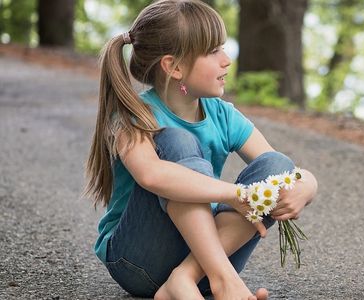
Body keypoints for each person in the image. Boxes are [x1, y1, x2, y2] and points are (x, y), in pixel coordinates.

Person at [84, 1, 317, 299]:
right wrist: (234, 194)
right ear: (174, 67)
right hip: (139, 263)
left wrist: (307, 184)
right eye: (213, 51)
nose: (227, 60)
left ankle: (186, 278)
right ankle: (225, 282)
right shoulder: (135, 116)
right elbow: (152, 176)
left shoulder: (222, 115)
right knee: (176, 141)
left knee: (276, 164)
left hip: (205, 260)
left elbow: (282, 169)